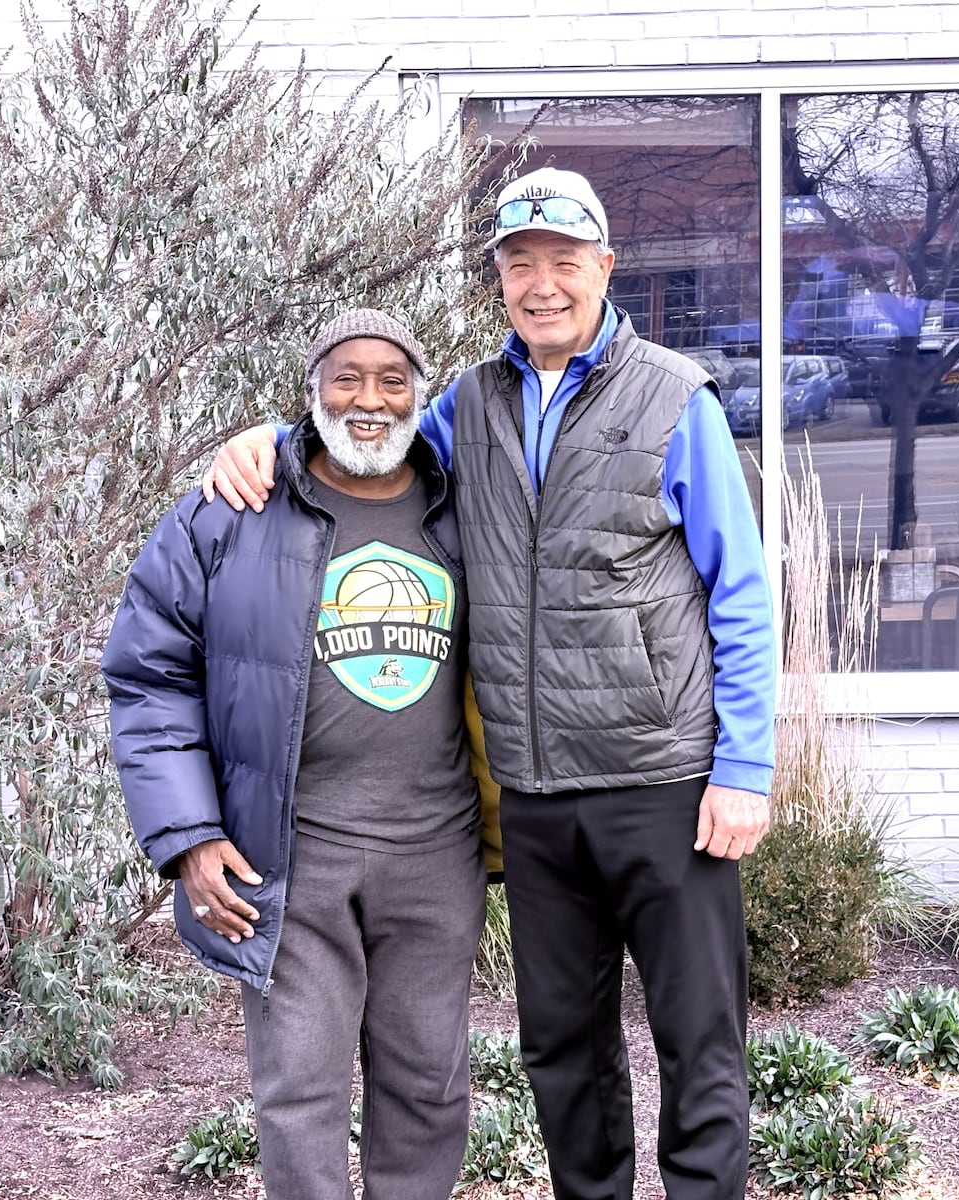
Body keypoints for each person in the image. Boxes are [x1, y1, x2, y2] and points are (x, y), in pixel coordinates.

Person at [203, 168, 777, 1200]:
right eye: (521, 266)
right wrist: (266, 442)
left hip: (666, 785)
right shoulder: (466, 403)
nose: (543, 284)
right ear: (499, 282)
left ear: (605, 267)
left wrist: (744, 766)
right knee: (561, 1051)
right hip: (537, 796)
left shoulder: (673, 398)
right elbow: (357, 453)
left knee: (699, 1042)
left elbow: (740, 592)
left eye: (564, 261)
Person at [103, 309, 488, 1200]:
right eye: (346, 377)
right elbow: (148, 673)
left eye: (392, 380)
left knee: (428, 1090)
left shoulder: (463, 506)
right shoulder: (232, 508)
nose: (369, 399)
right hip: (290, 854)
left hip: (436, 853)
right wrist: (190, 838)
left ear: (419, 398)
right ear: (312, 389)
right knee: (299, 1093)